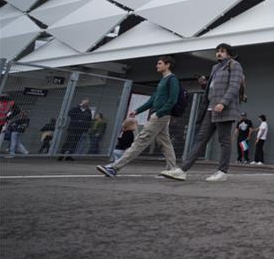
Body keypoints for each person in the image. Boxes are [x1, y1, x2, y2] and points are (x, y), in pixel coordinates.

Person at [161, 44, 244, 182]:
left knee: (224, 140)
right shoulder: (215, 68)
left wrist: (223, 103)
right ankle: (182, 170)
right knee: (201, 139)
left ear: (229, 54)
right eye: (217, 51)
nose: (219, 54)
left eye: (222, 51)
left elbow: (234, 86)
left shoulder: (234, 65)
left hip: (224, 108)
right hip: (211, 108)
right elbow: (213, 88)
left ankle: (222, 172)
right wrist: (204, 84)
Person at [97, 56, 180, 177]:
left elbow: (173, 100)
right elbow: (152, 100)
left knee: (141, 140)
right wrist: (137, 111)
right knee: (165, 143)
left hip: (160, 116)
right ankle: (172, 169)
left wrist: (158, 113)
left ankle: (114, 168)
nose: (157, 65)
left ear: (167, 65)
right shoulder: (162, 81)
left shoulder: (172, 80)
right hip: (159, 116)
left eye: (159, 63)